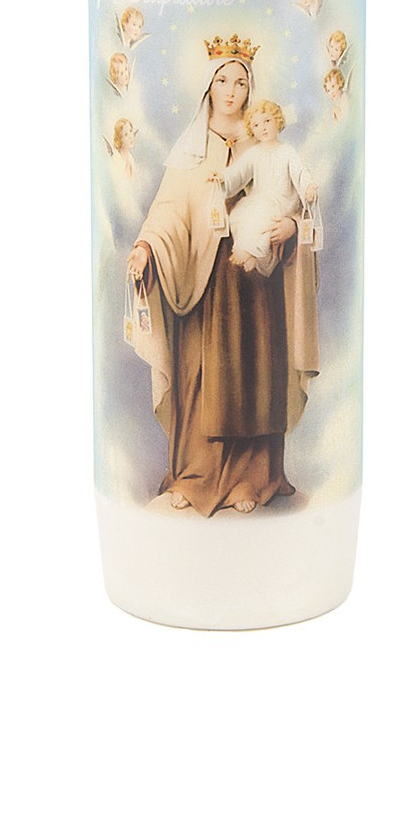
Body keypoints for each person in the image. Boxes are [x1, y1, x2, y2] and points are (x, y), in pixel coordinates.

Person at [126, 39, 320, 516]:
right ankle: (194, 475)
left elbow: (297, 199)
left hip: (256, 283)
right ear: (208, 86)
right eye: (222, 81)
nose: (231, 91)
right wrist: (146, 246)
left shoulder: (265, 143)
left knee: (254, 375)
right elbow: (170, 211)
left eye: (240, 83)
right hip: (206, 282)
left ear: (251, 89)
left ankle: (253, 477)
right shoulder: (191, 148)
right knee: (199, 375)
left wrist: (292, 226)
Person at [208, 99, 317, 276]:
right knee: (240, 214)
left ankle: (252, 252)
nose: (263, 128)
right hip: (260, 199)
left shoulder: (287, 151)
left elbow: (300, 172)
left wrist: (308, 188)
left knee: (264, 215)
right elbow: (238, 172)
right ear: (252, 129)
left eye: (267, 121)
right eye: (256, 125)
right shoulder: (254, 153)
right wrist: (223, 177)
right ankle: (252, 254)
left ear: (277, 121)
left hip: (282, 200)